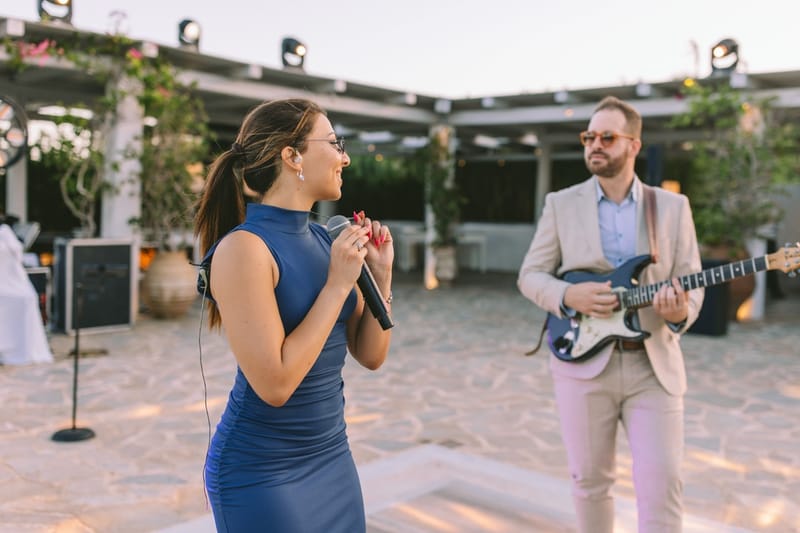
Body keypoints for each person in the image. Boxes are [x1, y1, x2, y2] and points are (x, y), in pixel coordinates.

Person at [194, 98, 394, 532]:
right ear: (292, 156)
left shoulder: (326, 241)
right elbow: (276, 385)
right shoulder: (244, 249)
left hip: (333, 458)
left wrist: (380, 276)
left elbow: (371, 355)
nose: (345, 158)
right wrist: (337, 285)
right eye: (335, 143)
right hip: (263, 473)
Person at [517, 96, 704, 533]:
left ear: (633, 145)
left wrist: (680, 311)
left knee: (662, 485)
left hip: (653, 367)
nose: (594, 145)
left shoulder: (672, 207)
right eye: (589, 137)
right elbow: (530, 275)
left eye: (607, 137)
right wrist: (568, 294)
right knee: (589, 483)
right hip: (582, 365)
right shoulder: (561, 204)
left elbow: (691, 279)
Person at [0, 214, 54, 365]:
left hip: (10, 283)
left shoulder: (4, 232)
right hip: (7, 285)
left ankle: (22, 348)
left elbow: (17, 254)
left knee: (27, 300)